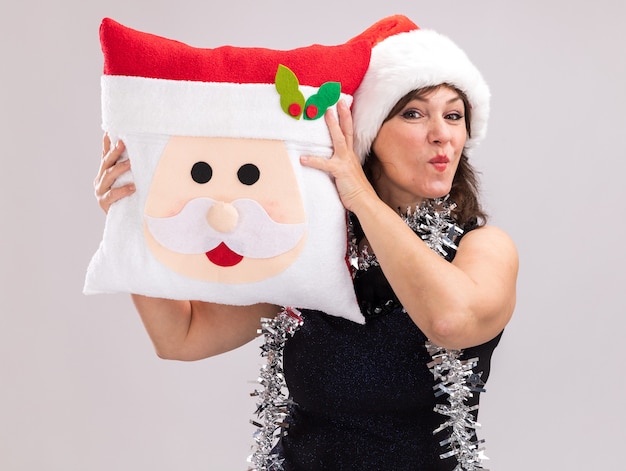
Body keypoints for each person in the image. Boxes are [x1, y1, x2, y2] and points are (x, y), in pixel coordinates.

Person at [94, 19, 517, 471]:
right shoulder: (316, 258)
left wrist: (358, 194)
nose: (442, 134)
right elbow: (181, 336)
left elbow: (450, 320)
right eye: (414, 113)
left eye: (453, 115)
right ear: (366, 134)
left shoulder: (484, 249)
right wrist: (132, 218)